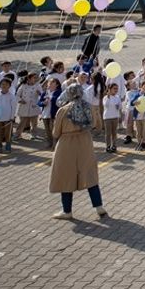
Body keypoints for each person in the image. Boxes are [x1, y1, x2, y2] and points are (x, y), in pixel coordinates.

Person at [49, 84, 108, 220]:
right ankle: (99, 207)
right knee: (89, 174)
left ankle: (67, 211)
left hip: (67, 144)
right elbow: (93, 124)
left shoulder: (63, 110)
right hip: (85, 142)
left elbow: (56, 132)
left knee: (65, 176)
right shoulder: (88, 107)